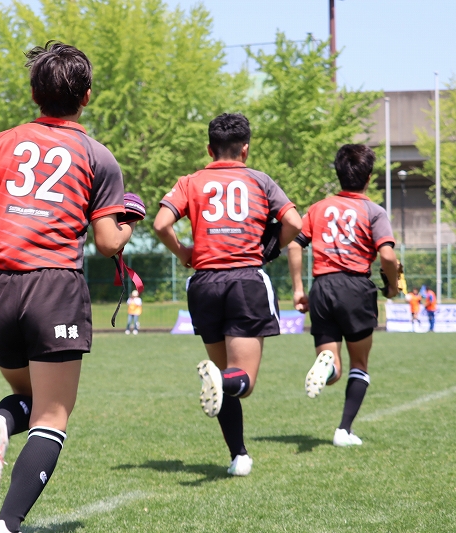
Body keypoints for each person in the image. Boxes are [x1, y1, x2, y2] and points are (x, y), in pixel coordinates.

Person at [0, 42, 137, 533]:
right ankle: (5, 525)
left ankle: (2, 422)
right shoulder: (98, 155)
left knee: (27, 399)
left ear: (34, 93)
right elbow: (106, 242)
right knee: (53, 416)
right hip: (54, 286)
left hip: (1, 286)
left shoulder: (0, 143)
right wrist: (128, 222)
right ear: (87, 96)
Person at [153, 113, 302, 475]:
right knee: (241, 382)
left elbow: (161, 224)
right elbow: (295, 223)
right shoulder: (260, 180)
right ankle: (226, 398)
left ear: (210, 149)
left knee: (225, 375)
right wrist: (270, 248)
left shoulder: (191, 181)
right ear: (245, 149)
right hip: (245, 281)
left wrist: (184, 253)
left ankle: (239, 456)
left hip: (204, 284)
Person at [287, 144, 399, 447]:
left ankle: (328, 366)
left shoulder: (319, 208)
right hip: (355, 288)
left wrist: (298, 290)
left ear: (338, 174)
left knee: (333, 368)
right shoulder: (374, 211)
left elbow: (295, 244)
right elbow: (387, 255)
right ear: (369, 177)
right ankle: (343, 431)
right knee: (359, 364)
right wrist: (392, 284)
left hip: (322, 288)